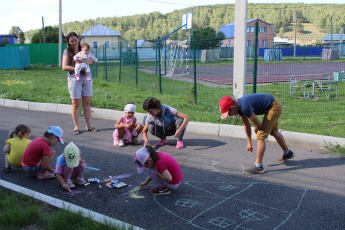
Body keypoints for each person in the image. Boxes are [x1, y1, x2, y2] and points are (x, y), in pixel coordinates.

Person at [219, 93, 295, 174]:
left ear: (232, 107)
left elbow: (258, 125)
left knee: (260, 135)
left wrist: (256, 129)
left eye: (229, 114)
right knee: (273, 132)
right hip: (271, 106)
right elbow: (246, 124)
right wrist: (249, 143)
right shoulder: (239, 107)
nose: (230, 115)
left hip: (274, 107)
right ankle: (287, 153)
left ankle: (258, 166)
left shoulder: (244, 107)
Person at [62, 32, 98, 135]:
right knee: (76, 103)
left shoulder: (84, 48)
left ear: (78, 39)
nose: (74, 42)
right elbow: (64, 67)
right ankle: (76, 126)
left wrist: (83, 61)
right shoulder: (67, 52)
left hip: (86, 78)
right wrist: (78, 69)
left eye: (75, 40)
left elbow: (92, 61)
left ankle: (89, 126)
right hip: (74, 78)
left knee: (87, 103)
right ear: (69, 42)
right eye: (71, 41)